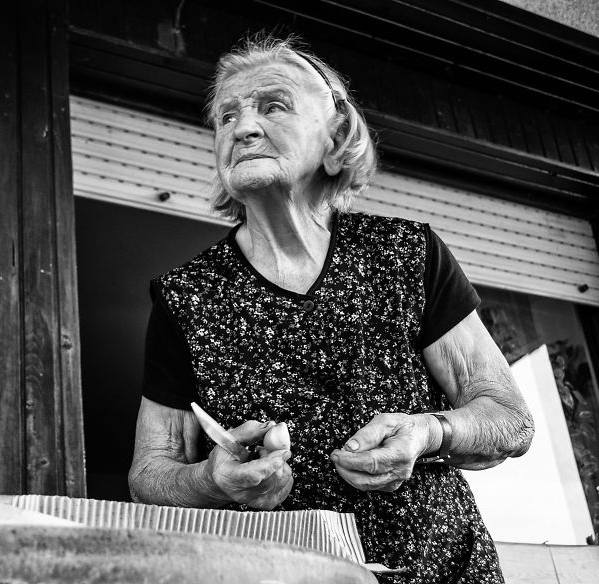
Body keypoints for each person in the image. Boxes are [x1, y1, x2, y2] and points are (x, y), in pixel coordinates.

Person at [127, 35, 534, 583]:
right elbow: (150, 472)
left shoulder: (406, 254)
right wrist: (210, 481)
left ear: (336, 135)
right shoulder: (184, 297)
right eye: (226, 117)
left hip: (446, 569)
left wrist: (428, 432)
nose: (242, 128)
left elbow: (509, 419)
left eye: (273, 105)